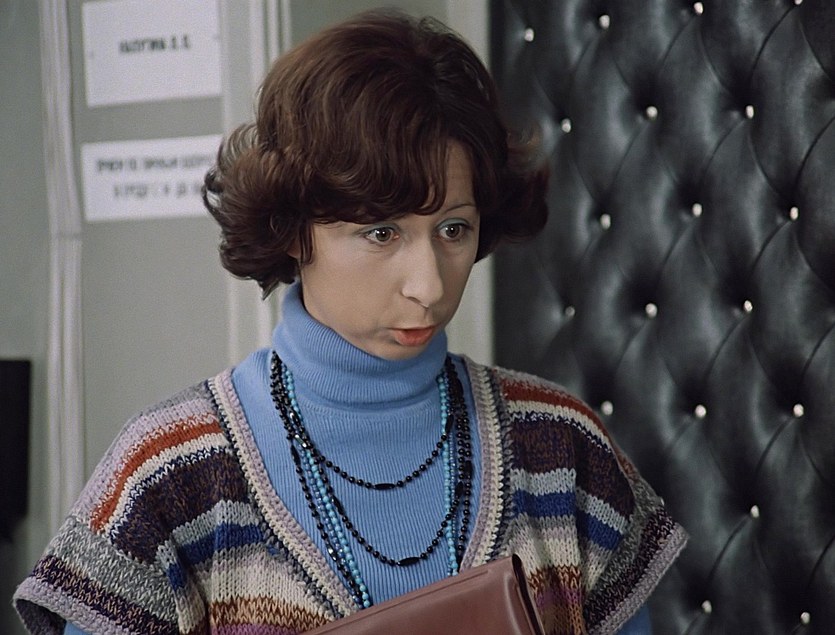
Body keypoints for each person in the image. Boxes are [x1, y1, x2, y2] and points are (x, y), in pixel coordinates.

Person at [14, 9, 686, 635]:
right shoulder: (168, 474)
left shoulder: (562, 450)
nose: (428, 286)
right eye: (381, 233)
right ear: (292, 230)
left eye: (453, 229)